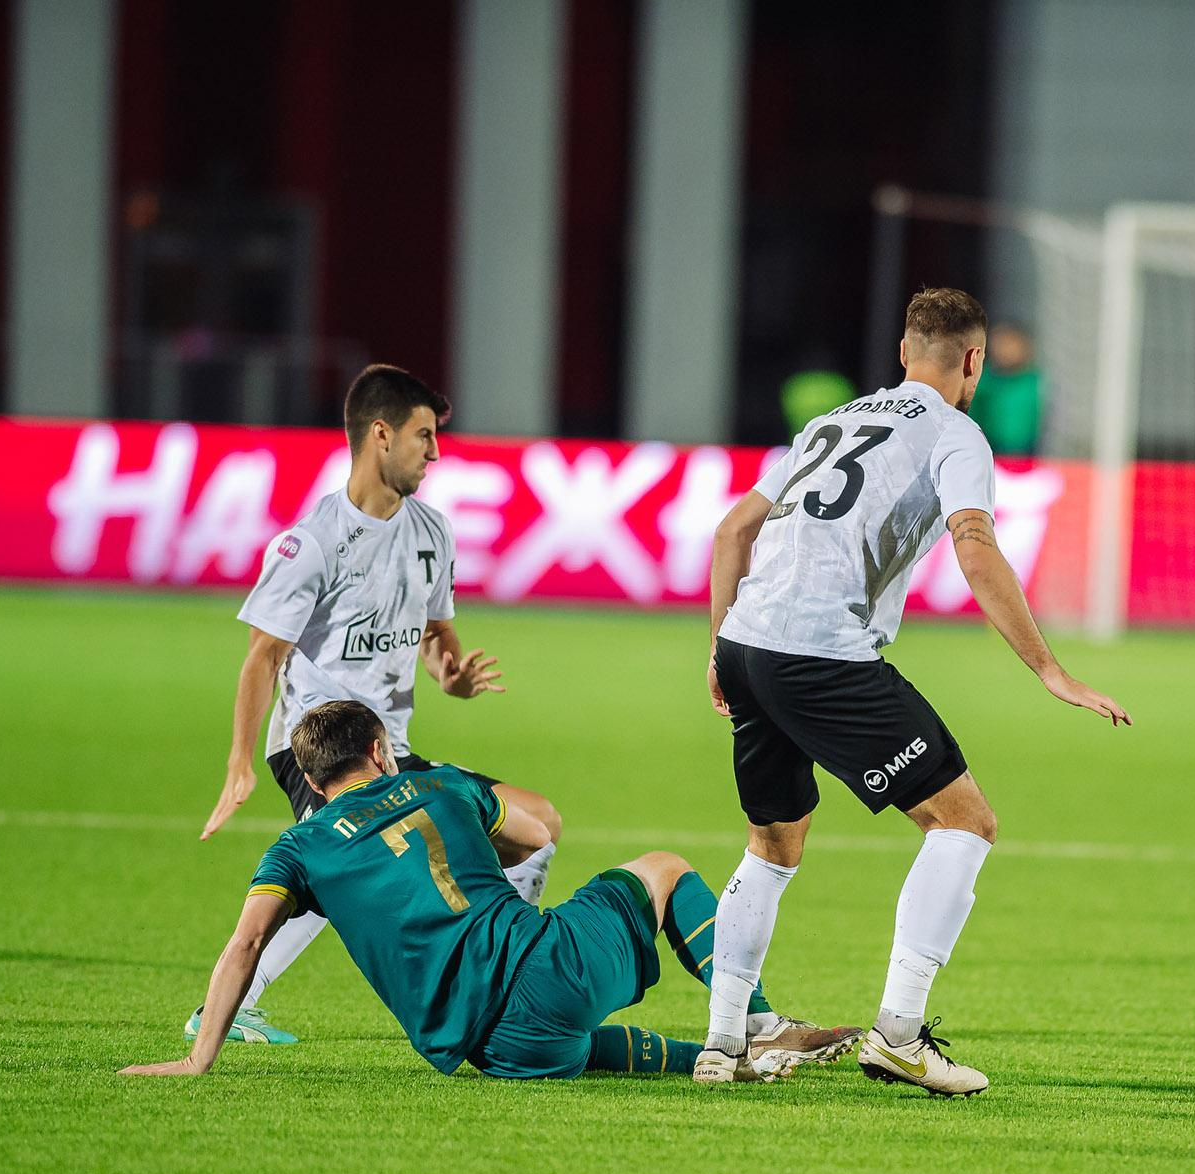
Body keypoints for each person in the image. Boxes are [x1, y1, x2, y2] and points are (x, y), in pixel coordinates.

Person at [194, 364, 852, 1067]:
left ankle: (507, 958)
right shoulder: (314, 542)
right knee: (336, 862)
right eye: (423, 436)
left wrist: (451, 675)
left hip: (393, 746)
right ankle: (232, 1003)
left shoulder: (431, 532)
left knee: (539, 824)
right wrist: (240, 762)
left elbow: (435, 637)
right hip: (322, 747)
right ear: (379, 434)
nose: (435, 452)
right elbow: (263, 656)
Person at [699, 287, 1130, 1096]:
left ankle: (723, 1044)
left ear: (903, 352)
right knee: (965, 820)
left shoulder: (831, 422)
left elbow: (732, 531)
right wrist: (1051, 670)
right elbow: (976, 548)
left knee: (772, 843)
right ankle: (899, 1035)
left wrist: (719, 648)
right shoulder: (957, 435)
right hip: (822, 651)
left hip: (749, 643)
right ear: (974, 361)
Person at [125, 701, 795, 1082]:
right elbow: (535, 836)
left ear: (311, 778)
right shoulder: (440, 783)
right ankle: (751, 1024)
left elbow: (246, 943)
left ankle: (711, 1062)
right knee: (664, 868)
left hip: (488, 1048)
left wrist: (197, 1060)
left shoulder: (297, 848)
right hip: (545, 966)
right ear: (380, 751)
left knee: (566, 1040)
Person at [969, 323, 1043, 457]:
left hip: (1029, 453)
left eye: (1010, 345)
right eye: (999, 345)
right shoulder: (981, 380)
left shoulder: (1035, 382)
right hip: (989, 450)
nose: (1004, 351)